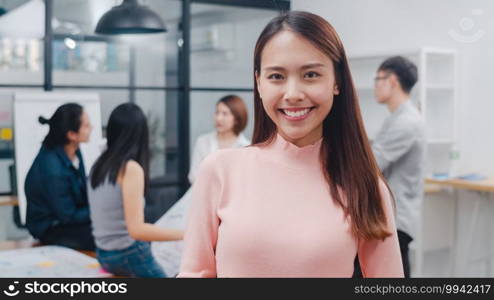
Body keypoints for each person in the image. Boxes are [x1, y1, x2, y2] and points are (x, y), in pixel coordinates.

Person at [178, 11, 403, 278]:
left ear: (336, 82)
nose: (293, 94)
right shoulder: (219, 170)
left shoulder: (365, 186)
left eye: (310, 75)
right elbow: (195, 274)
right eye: (276, 76)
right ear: (259, 83)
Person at [151, 94, 250, 277]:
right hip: (199, 200)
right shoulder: (204, 142)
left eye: (225, 113)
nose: (218, 118)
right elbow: (194, 176)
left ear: (237, 117)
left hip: (232, 205)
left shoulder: (247, 147)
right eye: (217, 112)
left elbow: (244, 184)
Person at [88, 103, 183, 278]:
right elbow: (137, 230)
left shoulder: (100, 164)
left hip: (103, 254)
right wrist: (186, 234)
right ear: (141, 135)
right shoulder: (130, 169)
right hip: (127, 254)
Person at [371, 56, 426, 277]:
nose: (375, 86)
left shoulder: (407, 122)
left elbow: (373, 163)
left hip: (397, 218)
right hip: (391, 215)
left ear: (392, 81)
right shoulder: (397, 118)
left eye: (378, 80)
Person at [25, 103, 95, 251]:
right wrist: (99, 210)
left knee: (113, 228)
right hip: (52, 227)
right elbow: (67, 216)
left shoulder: (74, 151)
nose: (92, 128)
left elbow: (80, 190)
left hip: (70, 219)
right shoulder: (53, 170)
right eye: (87, 126)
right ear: (72, 135)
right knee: (104, 237)